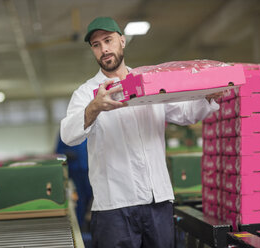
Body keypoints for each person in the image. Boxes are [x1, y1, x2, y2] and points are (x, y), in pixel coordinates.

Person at [60, 16, 222, 248]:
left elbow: (185, 113)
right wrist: (94, 107)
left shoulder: (150, 83)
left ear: (122, 41)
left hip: (158, 202)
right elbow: (68, 134)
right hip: (114, 207)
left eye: (108, 41)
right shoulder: (86, 93)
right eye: (96, 45)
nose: (104, 49)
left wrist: (207, 97)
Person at [55, 135, 93, 231]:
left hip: (90, 171)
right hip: (75, 172)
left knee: (91, 199)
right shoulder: (66, 130)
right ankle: (79, 227)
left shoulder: (90, 129)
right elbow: (58, 152)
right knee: (79, 200)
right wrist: (67, 154)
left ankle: (90, 225)